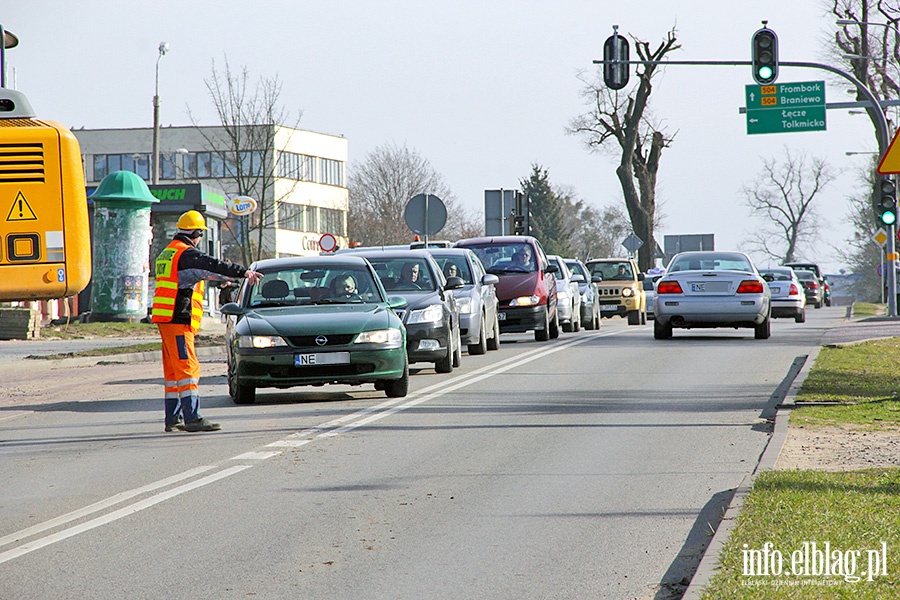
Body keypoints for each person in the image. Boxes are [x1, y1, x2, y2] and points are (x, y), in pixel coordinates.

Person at [151, 210, 262, 433]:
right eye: (200, 235)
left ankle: (173, 418)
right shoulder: (187, 255)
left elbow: (197, 276)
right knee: (187, 368)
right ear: (196, 233)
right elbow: (212, 266)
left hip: (165, 318)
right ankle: (193, 417)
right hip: (178, 318)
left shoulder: (168, 253)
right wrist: (244, 272)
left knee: (174, 372)